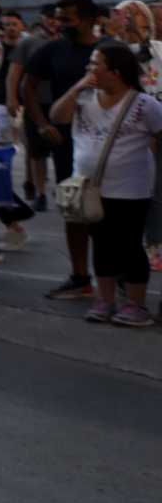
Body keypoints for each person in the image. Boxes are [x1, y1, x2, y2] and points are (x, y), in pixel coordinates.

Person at [52, 40, 161, 327]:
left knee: (129, 246)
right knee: (101, 245)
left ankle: (136, 305)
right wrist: (76, 89)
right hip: (90, 189)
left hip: (131, 190)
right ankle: (106, 300)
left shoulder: (144, 104)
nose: (89, 70)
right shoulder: (84, 100)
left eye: (95, 65)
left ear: (115, 71)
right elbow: (57, 116)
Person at [22, 0, 104, 298]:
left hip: (110, 145)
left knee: (112, 213)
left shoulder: (109, 51)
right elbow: (26, 86)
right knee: (75, 209)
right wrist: (43, 124)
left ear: (89, 19)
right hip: (68, 143)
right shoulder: (52, 50)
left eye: (66, 18)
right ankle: (80, 276)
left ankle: (116, 277)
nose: (59, 23)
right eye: (58, 17)